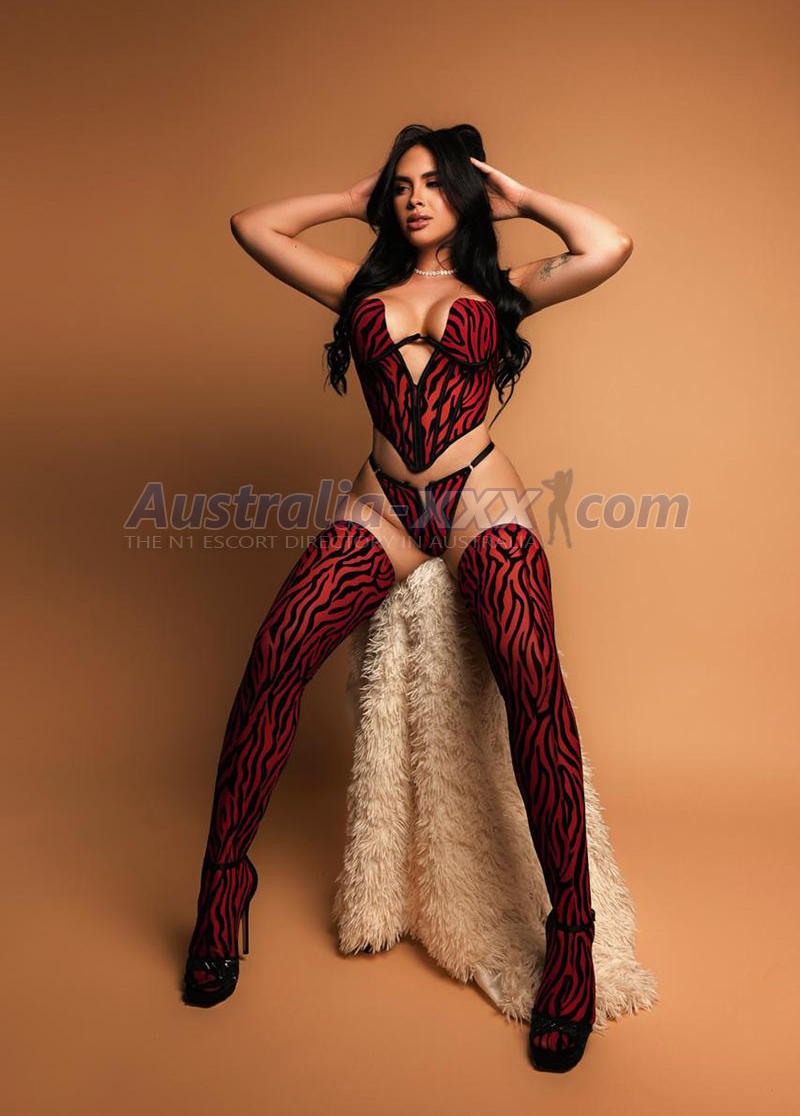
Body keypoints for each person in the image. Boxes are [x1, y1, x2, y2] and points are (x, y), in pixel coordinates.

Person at [181, 122, 633, 1074]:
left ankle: (573, 938)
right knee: (274, 659)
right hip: (384, 503)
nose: (415, 197)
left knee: (534, 690)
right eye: (402, 186)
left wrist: (519, 196)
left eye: (434, 183)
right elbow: (252, 226)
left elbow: (607, 246)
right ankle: (224, 884)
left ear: (466, 194)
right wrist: (353, 200)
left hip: (479, 499)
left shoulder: (505, 292)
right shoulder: (359, 287)